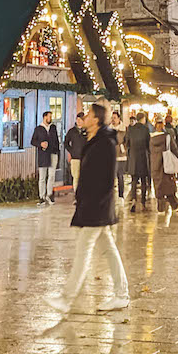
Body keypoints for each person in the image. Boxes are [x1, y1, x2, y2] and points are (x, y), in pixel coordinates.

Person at [45, 102, 130, 316]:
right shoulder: (94, 140)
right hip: (93, 206)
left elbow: (105, 178)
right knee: (109, 249)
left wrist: (92, 202)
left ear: (97, 120)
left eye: (90, 114)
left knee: (83, 251)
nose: (85, 117)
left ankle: (66, 298)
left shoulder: (105, 143)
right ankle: (122, 294)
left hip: (97, 207)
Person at [150, 115, 178, 212]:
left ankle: (160, 208)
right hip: (166, 163)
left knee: (158, 184)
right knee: (168, 184)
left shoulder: (151, 138)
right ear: (163, 125)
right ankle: (174, 205)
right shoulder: (167, 137)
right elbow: (174, 148)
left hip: (155, 163)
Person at [32, 109, 61, 204]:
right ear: (44, 117)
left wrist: (57, 151)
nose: (50, 118)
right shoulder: (38, 129)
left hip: (53, 153)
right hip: (43, 155)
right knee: (42, 177)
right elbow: (33, 141)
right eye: (49, 116)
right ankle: (41, 196)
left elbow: (56, 140)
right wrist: (40, 144)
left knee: (52, 175)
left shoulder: (53, 128)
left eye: (51, 116)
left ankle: (49, 195)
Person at [126, 111, 152, 211]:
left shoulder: (130, 129)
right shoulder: (145, 129)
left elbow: (127, 143)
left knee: (134, 181)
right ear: (143, 119)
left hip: (133, 158)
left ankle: (133, 200)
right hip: (142, 158)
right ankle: (143, 201)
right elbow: (148, 144)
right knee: (143, 181)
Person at [64, 113, 87, 194]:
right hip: (75, 158)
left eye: (80, 120)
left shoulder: (87, 131)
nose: (78, 121)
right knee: (76, 177)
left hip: (85, 158)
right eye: (77, 120)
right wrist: (71, 151)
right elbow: (66, 142)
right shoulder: (72, 131)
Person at [110, 110, 128, 199]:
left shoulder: (124, 129)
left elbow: (127, 142)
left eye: (114, 118)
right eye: (112, 118)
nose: (113, 120)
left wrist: (123, 148)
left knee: (120, 176)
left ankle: (121, 195)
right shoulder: (108, 129)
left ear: (119, 118)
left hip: (121, 156)